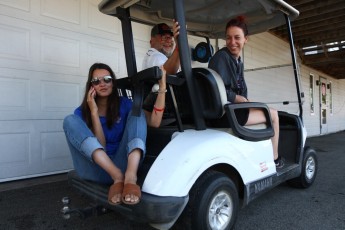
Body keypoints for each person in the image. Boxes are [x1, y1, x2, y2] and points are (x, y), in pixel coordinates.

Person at [63, 63, 167, 206]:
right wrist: (94, 112)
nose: (102, 83)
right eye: (96, 81)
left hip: (125, 165)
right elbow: (101, 146)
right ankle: (117, 177)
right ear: (91, 86)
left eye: (107, 79)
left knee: (137, 113)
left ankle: (130, 178)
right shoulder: (82, 112)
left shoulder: (125, 104)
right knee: (69, 120)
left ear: (113, 82)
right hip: (97, 169)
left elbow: (154, 122)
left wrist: (162, 88)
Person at [208, 16, 284, 168]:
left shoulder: (237, 60)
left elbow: (241, 90)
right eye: (229, 38)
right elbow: (217, 91)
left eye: (237, 37)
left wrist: (245, 101)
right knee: (274, 115)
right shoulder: (222, 57)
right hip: (224, 113)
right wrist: (238, 98)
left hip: (232, 109)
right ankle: (275, 159)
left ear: (246, 39)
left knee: (269, 110)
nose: (232, 42)